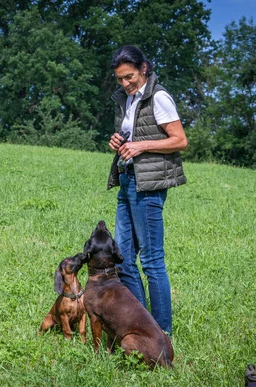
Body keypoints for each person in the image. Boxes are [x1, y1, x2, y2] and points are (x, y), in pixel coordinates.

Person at [107, 45, 187, 336]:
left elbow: (179, 140)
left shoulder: (159, 97)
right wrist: (117, 141)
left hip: (149, 186)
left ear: (143, 68)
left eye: (129, 77)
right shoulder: (128, 100)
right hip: (127, 180)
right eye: (119, 79)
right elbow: (133, 134)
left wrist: (140, 146)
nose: (125, 83)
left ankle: (162, 332)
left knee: (152, 261)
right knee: (123, 259)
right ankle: (143, 326)